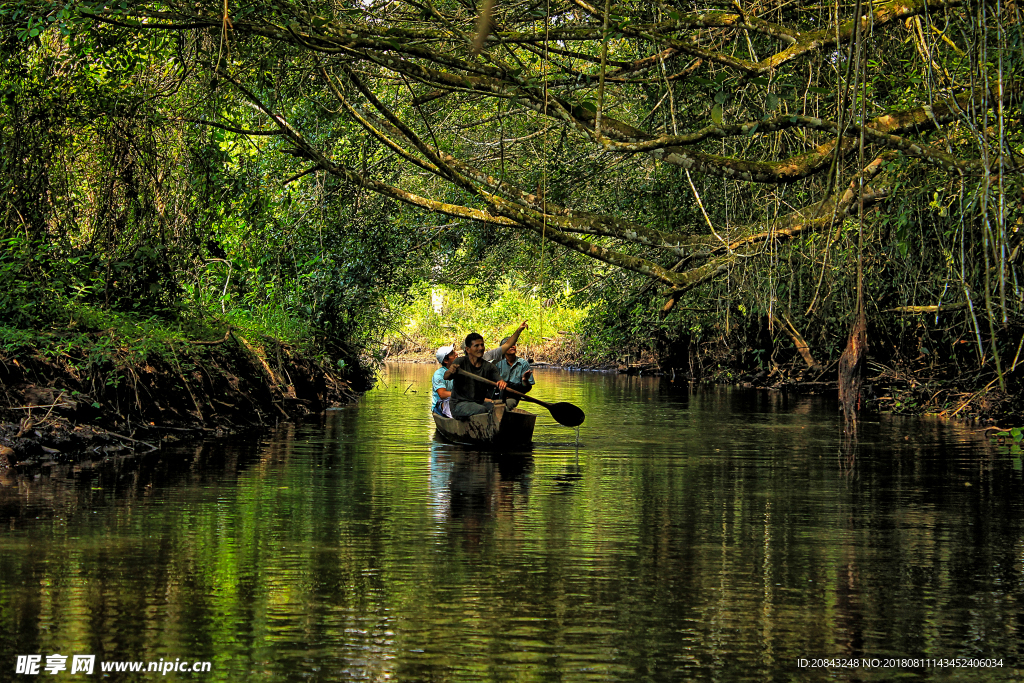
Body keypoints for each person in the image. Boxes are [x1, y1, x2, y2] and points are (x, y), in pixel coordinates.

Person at [444, 333, 508, 418]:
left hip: (478, 403)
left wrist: (501, 382)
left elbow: (499, 380)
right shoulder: (460, 362)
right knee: (481, 410)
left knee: (502, 410)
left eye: (482, 345)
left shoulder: (489, 367)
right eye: (476, 346)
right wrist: (451, 371)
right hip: (459, 405)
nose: (481, 348)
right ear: (468, 349)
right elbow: (446, 376)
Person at [493, 336, 535, 409]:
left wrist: (525, 380)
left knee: (508, 405)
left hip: (513, 396)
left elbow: (527, 387)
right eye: (509, 345)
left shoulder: (523, 364)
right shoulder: (497, 363)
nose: (512, 346)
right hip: (497, 394)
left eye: (514, 344)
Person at [432, 345, 457, 417]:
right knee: (449, 403)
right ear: (446, 361)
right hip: (441, 404)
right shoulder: (439, 374)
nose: (456, 353)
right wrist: (461, 395)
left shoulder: (459, 371)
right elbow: (442, 394)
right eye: (452, 354)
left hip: (457, 399)